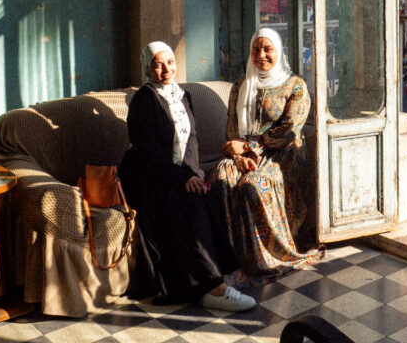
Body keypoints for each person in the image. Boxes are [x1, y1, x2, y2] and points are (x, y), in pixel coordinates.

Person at [119, 41, 255, 312]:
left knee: (206, 194)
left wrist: (195, 174)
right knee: (186, 204)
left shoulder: (183, 95)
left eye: (169, 62)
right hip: (149, 176)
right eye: (157, 64)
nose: (165, 69)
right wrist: (182, 179)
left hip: (179, 172)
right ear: (148, 68)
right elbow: (148, 153)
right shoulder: (144, 101)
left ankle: (210, 283)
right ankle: (215, 288)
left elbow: (191, 141)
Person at [214, 28, 322, 276]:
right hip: (243, 154)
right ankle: (234, 257)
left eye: (267, 49)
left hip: (282, 155)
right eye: (255, 49)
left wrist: (252, 147)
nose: (261, 55)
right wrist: (239, 156)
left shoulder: (295, 86)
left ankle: (267, 257)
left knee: (251, 185)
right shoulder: (242, 84)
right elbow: (231, 129)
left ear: (278, 51)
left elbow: (290, 130)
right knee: (223, 176)